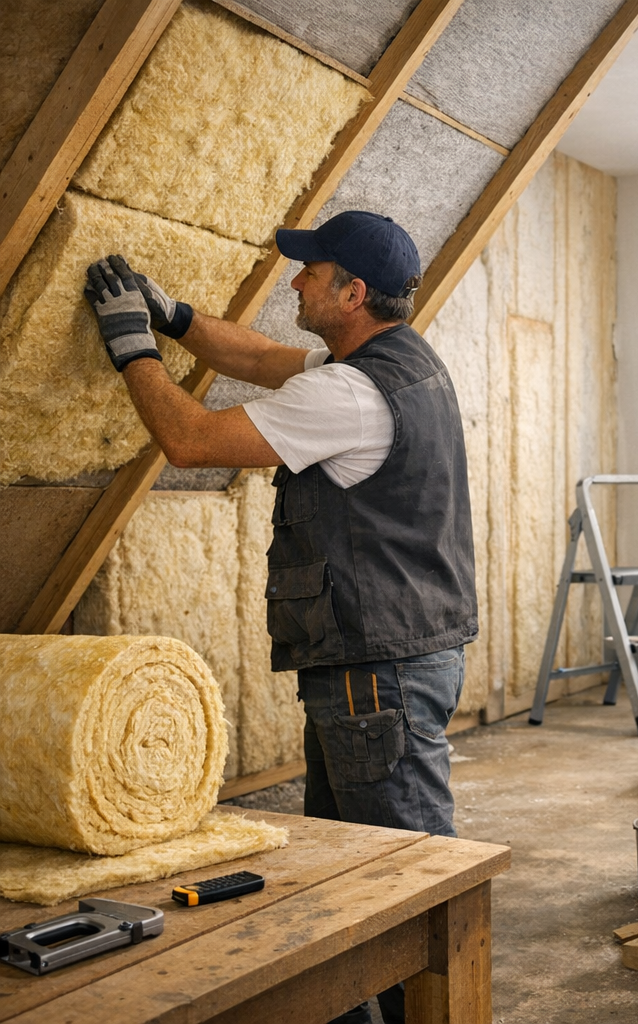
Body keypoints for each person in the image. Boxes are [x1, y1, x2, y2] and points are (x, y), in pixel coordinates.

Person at [84, 211, 478, 1024]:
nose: (294, 282)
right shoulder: (394, 362)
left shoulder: (349, 393)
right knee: (349, 863)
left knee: (401, 877)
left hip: (379, 673)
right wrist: (177, 316)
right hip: (393, 660)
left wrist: (134, 350)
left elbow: (191, 441)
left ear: (354, 292)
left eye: (310, 271)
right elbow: (263, 359)